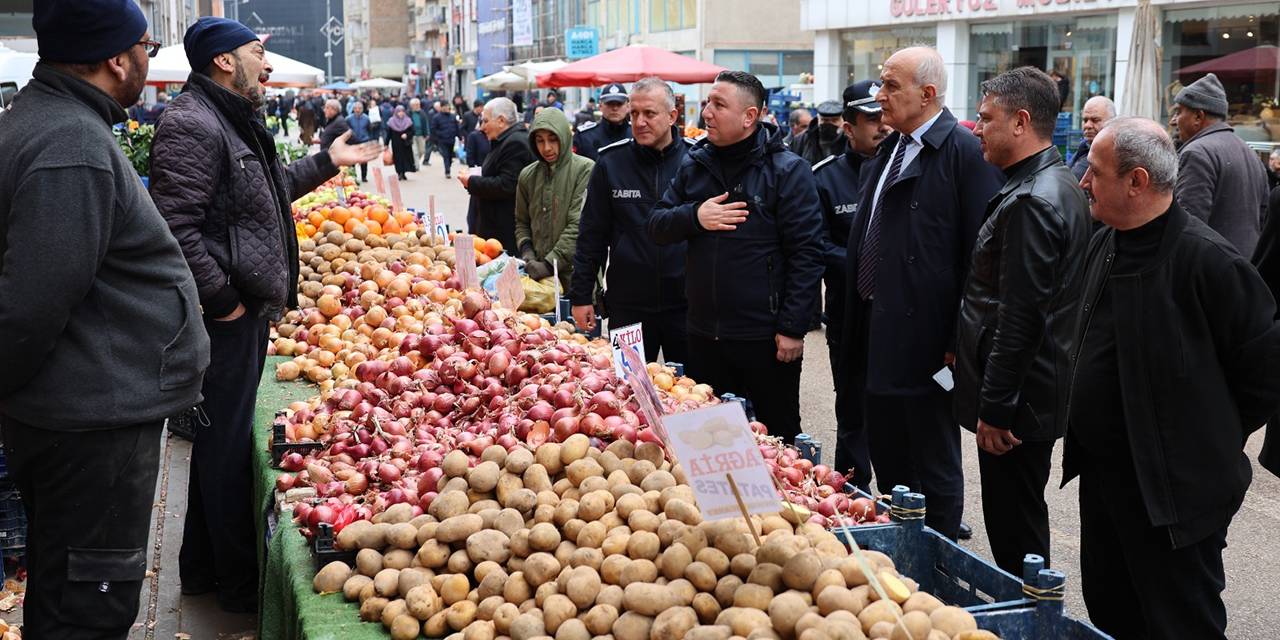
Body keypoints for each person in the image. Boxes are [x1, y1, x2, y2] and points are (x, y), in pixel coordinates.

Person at [149, 16, 379, 613]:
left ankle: (201, 571)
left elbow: (266, 191)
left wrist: (327, 161)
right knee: (225, 449)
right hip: (225, 316)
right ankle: (238, 586)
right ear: (225, 61)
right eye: (258, 53)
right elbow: (174, 227)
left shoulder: (228, 118)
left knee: (218, 444)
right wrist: (224, 302)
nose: (268, 64)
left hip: (241, 311)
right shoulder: (193, 124)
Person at [0, 3, 210, 637]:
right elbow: (32, 304)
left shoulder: (48, 123)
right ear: (117, 59)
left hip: (76, 410)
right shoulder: (72, 144)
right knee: (89, 607)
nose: (149, 57)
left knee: (66, 585)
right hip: (91, 422)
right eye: (144, 44)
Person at [1068, 116, 1280, 640]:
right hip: (1104, 477)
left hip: (1173, 493)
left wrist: (1202, 438)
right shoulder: (1106, 241)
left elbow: (1264, 377)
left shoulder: (1211, 262)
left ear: (1136, 182)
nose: (1083, 182)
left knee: (1179, 623)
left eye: (1095, 172)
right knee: (1112, 611)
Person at [840, 46, 1004, 541]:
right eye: (880, 83)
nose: (879, 94)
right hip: (875, 324)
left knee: (931, 455)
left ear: (927, 94)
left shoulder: (965, 153)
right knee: (887, 447)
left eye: (891, 86)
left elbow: (983, 262)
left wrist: (959, 342)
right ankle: (900, 542)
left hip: (932, 340)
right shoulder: (890, 148)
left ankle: (939, 553)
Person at [955, 67, 1091, 574]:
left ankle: (1029, 620)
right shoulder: (1043, 186)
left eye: (986, 118)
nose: (976, 128)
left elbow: (1021, 317)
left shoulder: (1034, 199)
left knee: (1016, 534)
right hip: (1028, 396)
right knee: (1018, 522)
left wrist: (996, 407)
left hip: (1019, 406)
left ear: (1021, 122)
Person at [647, 70, 825, 446]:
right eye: (708, 103)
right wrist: (695, 216)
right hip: (702, 334)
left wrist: (793, 327)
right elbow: (656, 225)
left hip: (765, 338)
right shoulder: (694, 164)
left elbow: (807, 254)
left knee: (777, 443)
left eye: (718, 104)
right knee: (711, 443)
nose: (706, 112)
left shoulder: (788, 171)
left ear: (750, 116)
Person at [572, 77, 692, 362]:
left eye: (649, 113)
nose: (639, 122)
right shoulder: (611, 162)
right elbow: (592, 234)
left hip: (687, 306)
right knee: (628, 394)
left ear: (672, 116)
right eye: (635, 113)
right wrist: (581, 296)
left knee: (694, 394)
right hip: (629, 306)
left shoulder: (696, 161)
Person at [816, 80, 891, 488]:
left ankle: (914, 498)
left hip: (898, 313)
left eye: (884, 116)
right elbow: (816, 244)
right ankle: (855, 491)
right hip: (849, 312)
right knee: (853, 406)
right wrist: (868, 266)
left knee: (903, 409)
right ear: (848, 127)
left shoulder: (907, 168)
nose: (882, 126)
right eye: (871, 119)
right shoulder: (825, 179)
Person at [1171, 73, 1270, 259]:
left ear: (1198, 116)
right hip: (1244, 269)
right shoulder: (1248, 152)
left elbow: (1188, 226)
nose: (1173, 120)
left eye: (1178, 111)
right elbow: (1263, 217)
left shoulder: (1196, 152)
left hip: (1211, 274)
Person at [516, 108, 594, 292]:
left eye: (553, 139)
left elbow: (579, 225)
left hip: (576, 277)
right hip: (537, 282)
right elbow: (522, 221)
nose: (547, 148)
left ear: (565, 138)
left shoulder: (585, 170)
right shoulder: (527, 176)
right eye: (539, 140)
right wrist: (527, 251)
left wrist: (550, 264)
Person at [462, 97, 532, 249]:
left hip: (503, 230)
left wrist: (472, 181)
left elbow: (506, 185)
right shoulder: (504, 140)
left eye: (485, 121)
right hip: (495, 226)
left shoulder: (515, 142)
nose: (482, 127)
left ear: (501, 120)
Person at [575, 82, 631, 161]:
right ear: (601, 106)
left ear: (627, 107)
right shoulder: (584, 136)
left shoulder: (638, 134)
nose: (615, 108)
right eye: (610, 104)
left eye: (619, 104)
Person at [1067, 95, 1115, 181]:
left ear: (1112, 121)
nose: (1087, 125)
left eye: (1095, 120)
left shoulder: (1112, 156)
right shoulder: (1084, 147)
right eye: (1085, 120)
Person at [791, 99, 846, 165]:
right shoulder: (801, 140)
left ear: (842, 120)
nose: (829, 124)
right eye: (825, 120)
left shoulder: (850, 141)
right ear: (818, 119)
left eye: (834, 121)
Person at [386, 105, 417, 180]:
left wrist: (407, 134)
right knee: (397, 158)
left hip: (405, 144)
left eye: (402, 111)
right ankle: (399, 172)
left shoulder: (408, 121)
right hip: (396, 144)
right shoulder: (391, 121)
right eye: (399, 112)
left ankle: (403, 173)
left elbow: (412, 131)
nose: (401, 113)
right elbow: (389, 134)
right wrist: (385, 144)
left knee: (406, 158)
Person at [347, 101, 375, 181]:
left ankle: (364, 176)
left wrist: (367, 139)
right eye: (356, 108)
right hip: (353, 142)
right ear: (353, 109)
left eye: (359, 108)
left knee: (364, 160)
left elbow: (370, 130)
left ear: (362, 109)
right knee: (352, 160)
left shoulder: (366, 118)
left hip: (363, 141)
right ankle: (353, 176)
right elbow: (346, 130)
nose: (358, 110)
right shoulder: (349, 119)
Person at [432, 101, 460, 178]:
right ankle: (447, 170)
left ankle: (449, 165)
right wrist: (440, 134)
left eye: (448, 106)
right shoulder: (436, 117)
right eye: (445, 106)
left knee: (451, 155)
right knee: (446, 155)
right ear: (441, 107)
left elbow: (456, 127)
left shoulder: (452, 116)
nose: (447, 107)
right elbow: (433, 129)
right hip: (442, 140)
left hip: (451, 139)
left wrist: (459, 137)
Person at [410, 97, 433, 167]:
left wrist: (427, 133)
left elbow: (426, 123)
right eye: (416, 105)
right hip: (412, 135)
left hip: (421, 135)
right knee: (415, 151)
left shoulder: (422, 113)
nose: (418, 106)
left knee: (421, 150)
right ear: (412, 105)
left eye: (419, 104)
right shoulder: (409, 113)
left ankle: (415, 161)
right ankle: (416, 165)